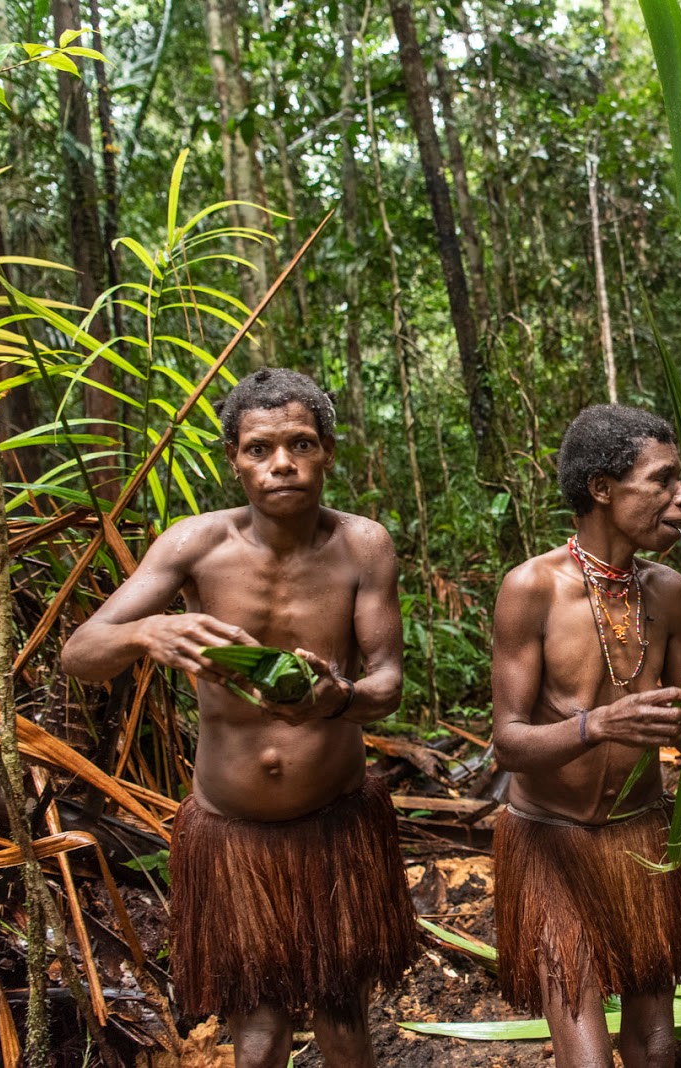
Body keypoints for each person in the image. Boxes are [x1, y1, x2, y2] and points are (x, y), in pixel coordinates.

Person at [61, 368, 417, 1068]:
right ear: (234, 460)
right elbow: (81, 652)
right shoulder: (195, 544)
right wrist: (144, 635)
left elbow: (388, 684)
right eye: (259, 448)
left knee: (344, 1019)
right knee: (257, 1034)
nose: (281, 463)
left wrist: (334, 699)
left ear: (328, 452)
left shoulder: (362, 545)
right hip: (233, 836)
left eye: (300, 444)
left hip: (335, 824)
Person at [490, 404, 681, 1068]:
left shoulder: (670, 591)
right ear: (602, 489)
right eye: (661, 480)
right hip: (551, 844)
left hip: (641, 838)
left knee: (657, 1050)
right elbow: (507, 743)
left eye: (678, 480)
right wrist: (596, 724)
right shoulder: (532, 589)